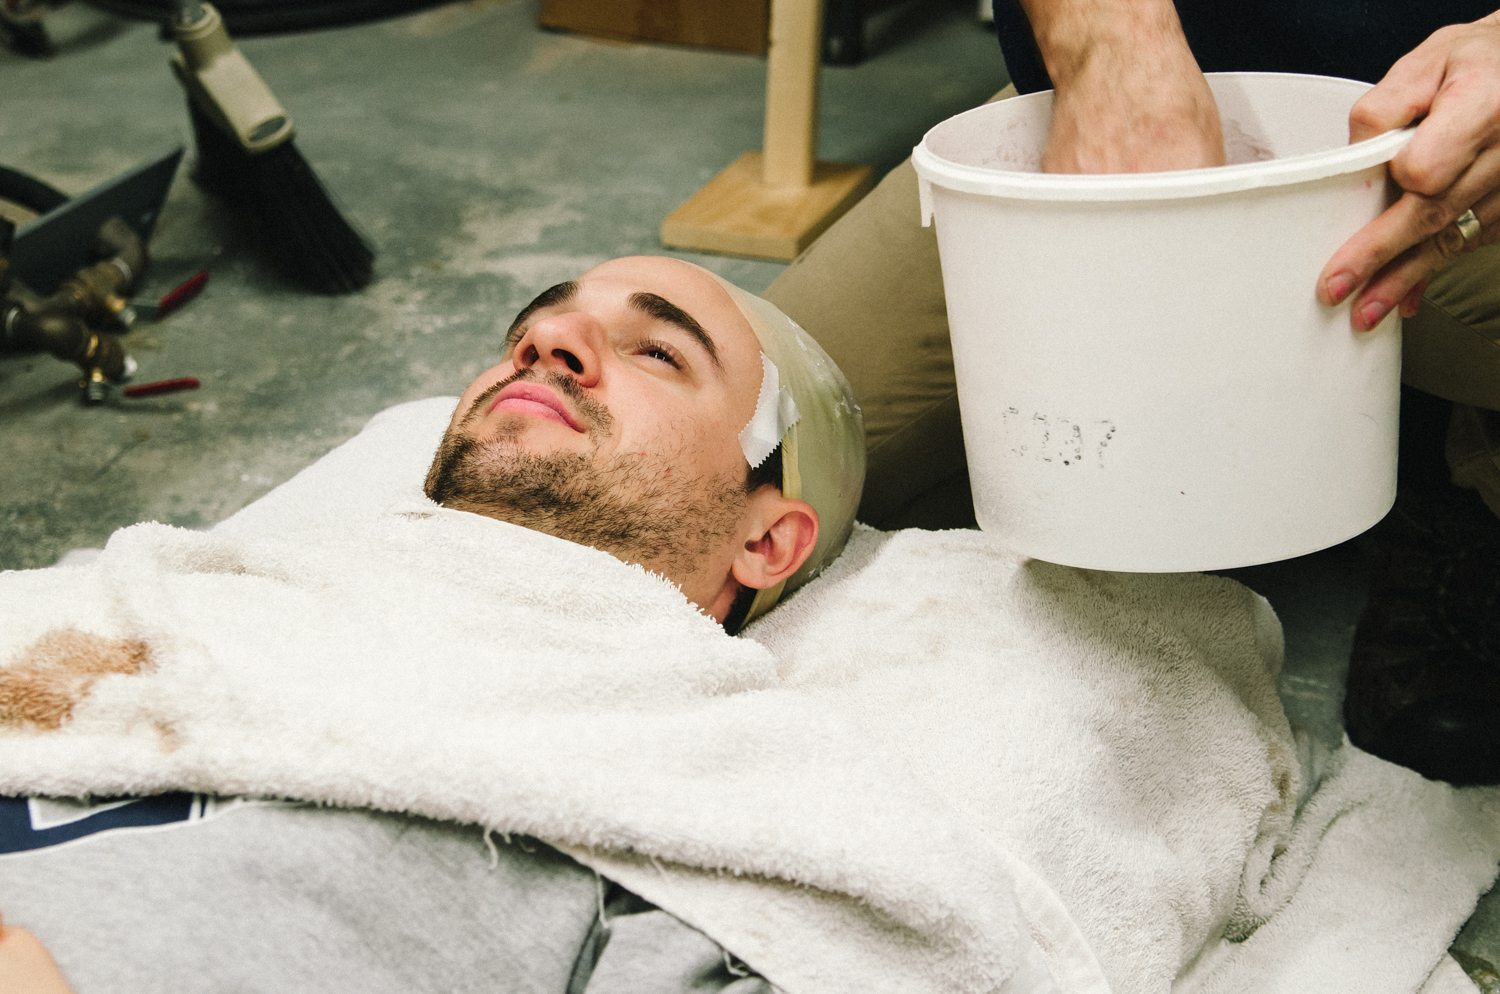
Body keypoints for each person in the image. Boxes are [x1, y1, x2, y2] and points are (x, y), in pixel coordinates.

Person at [0, 255, 864, 994]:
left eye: (660, 351)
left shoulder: (711, 795)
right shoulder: (191, 589)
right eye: (535, 332)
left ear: (765, 539)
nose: (545, 346)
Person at [763, 1, 1500, 784]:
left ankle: (1454, 456)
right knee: (763, 452)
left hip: (1450, 107)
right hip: (1157, 79)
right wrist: (1105, 45)